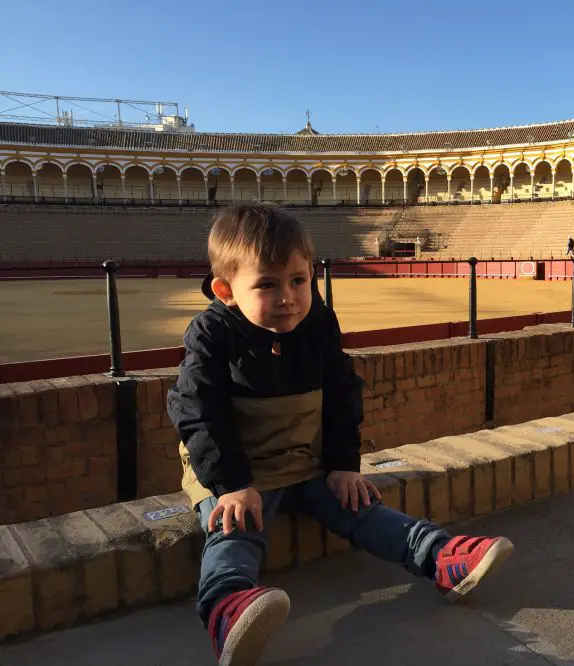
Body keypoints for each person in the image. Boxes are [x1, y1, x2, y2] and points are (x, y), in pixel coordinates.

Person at [168, 203, 513, 666]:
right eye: (267, 285)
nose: (288, 296)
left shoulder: (318, 322)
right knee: (234, 531)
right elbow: (197, 411)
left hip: (306, 459)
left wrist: (343, 465)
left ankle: (442, 557)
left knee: (362, 507)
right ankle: (226, 607)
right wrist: (230, 484)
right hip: (239, 471)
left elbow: (341, 393)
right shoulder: (209, 332)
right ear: (226, 290)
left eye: (297, 280)